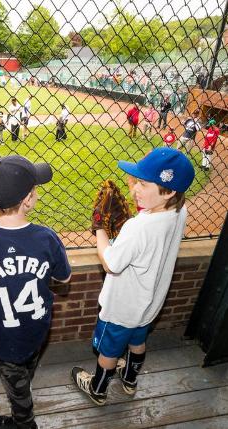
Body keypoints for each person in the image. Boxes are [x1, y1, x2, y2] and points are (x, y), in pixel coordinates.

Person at [71, 147, 195, 406]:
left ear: (169, 191)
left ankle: (98, 388)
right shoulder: (178, 211)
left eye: (143, 183)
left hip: (122, 308)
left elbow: (112, 264)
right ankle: (129, 380)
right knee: (138, 341)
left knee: (108, 350)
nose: (134, 188)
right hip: (150, 303)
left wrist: (100, 230)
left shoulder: (137, 227)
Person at [0, 155, 72, 429]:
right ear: (28, 199)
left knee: (18, 385)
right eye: (34, 189)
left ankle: (23, 420)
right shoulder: (47, 237)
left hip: (2, 335)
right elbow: (64, 277)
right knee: (24, 377)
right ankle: (24, 419)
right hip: (37, 329)